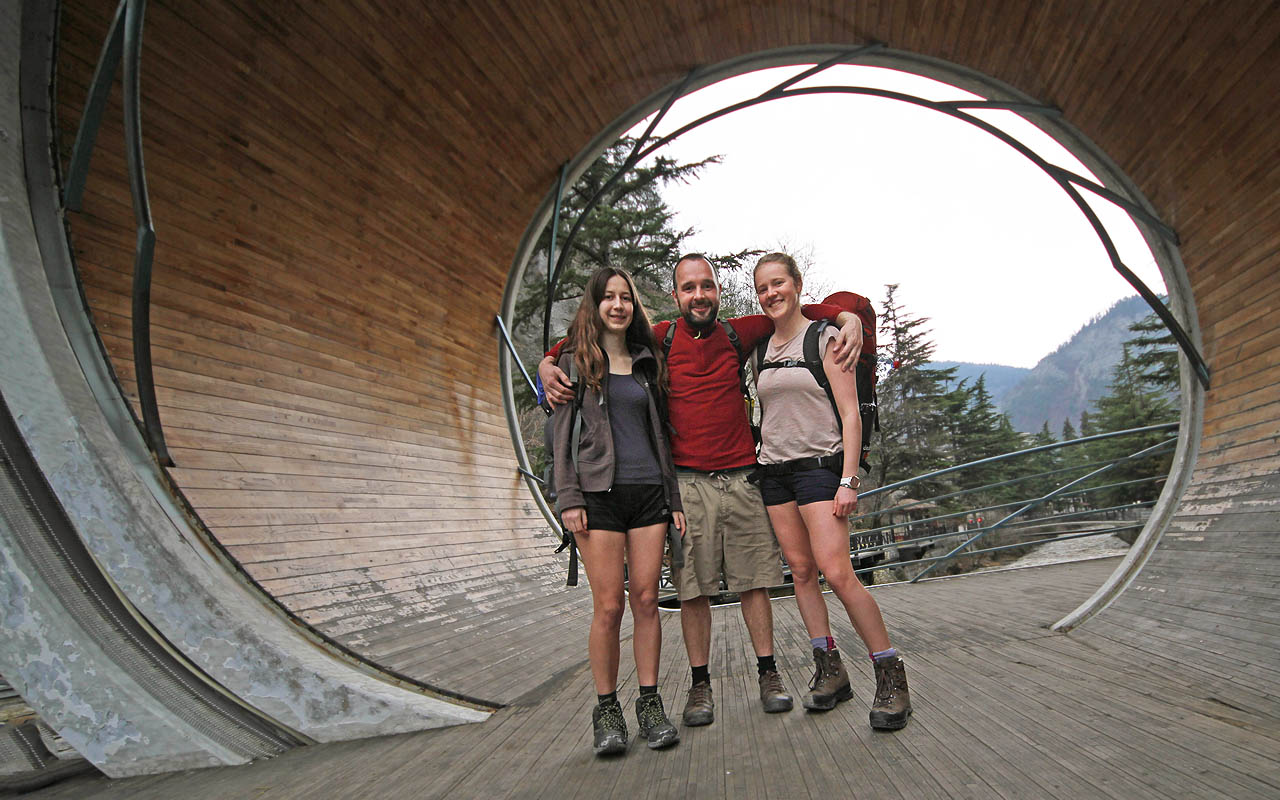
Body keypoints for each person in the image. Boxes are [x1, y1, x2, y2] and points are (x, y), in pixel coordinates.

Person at [541, 253, 865, 727]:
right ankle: (699, 684)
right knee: (693, 589)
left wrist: (847, 315)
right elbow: (595, 331)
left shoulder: (740, 331)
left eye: (707, 286)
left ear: (717, 290)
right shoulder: (660, 337)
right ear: (675, 296)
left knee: (754, 580)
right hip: (686, 481)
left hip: (744, 476)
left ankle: (768, 672)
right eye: (688, 288)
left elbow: (800, 308)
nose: (699, 295)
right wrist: (550, 361)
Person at [750, 252, 912, 730]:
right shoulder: (760, 349)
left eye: (778, 283)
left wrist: (848, 480)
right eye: (762, 288)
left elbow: (850, 414)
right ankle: (830, 670)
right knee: (800, 572)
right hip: (775, 472)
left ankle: (890, 674)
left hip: (821, 470)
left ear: (797, 285)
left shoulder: (826, 337)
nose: (770, 294)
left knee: (838, 573)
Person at [549, 267, 686, 755]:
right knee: (609, 606)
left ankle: (650, 704)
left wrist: (672, 499)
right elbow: (560, 438)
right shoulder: (574, 360)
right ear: (596, 304)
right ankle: (607, 709)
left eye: (625, 297)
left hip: (648, 492)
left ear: (634, 306)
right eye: (608, 297)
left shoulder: (648, 360)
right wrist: (568, 498)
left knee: (647, 600)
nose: (618, 305)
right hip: (597, 496)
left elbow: (660, 438)